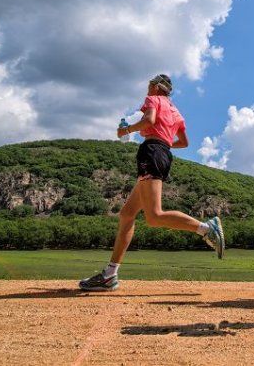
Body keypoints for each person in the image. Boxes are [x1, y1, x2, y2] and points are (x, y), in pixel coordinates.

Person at [78, 74, 225, 291]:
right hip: (163, 153)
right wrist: (164, 144)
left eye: (149, 85)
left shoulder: (153, 100)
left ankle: (206, 229)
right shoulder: (176, 112)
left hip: (151, 152)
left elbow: (149, 121)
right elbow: (184, 142)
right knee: (127, 214)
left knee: (154, 216)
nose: (147, 89)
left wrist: (126, 131)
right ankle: (110, 275)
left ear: (156, 86)